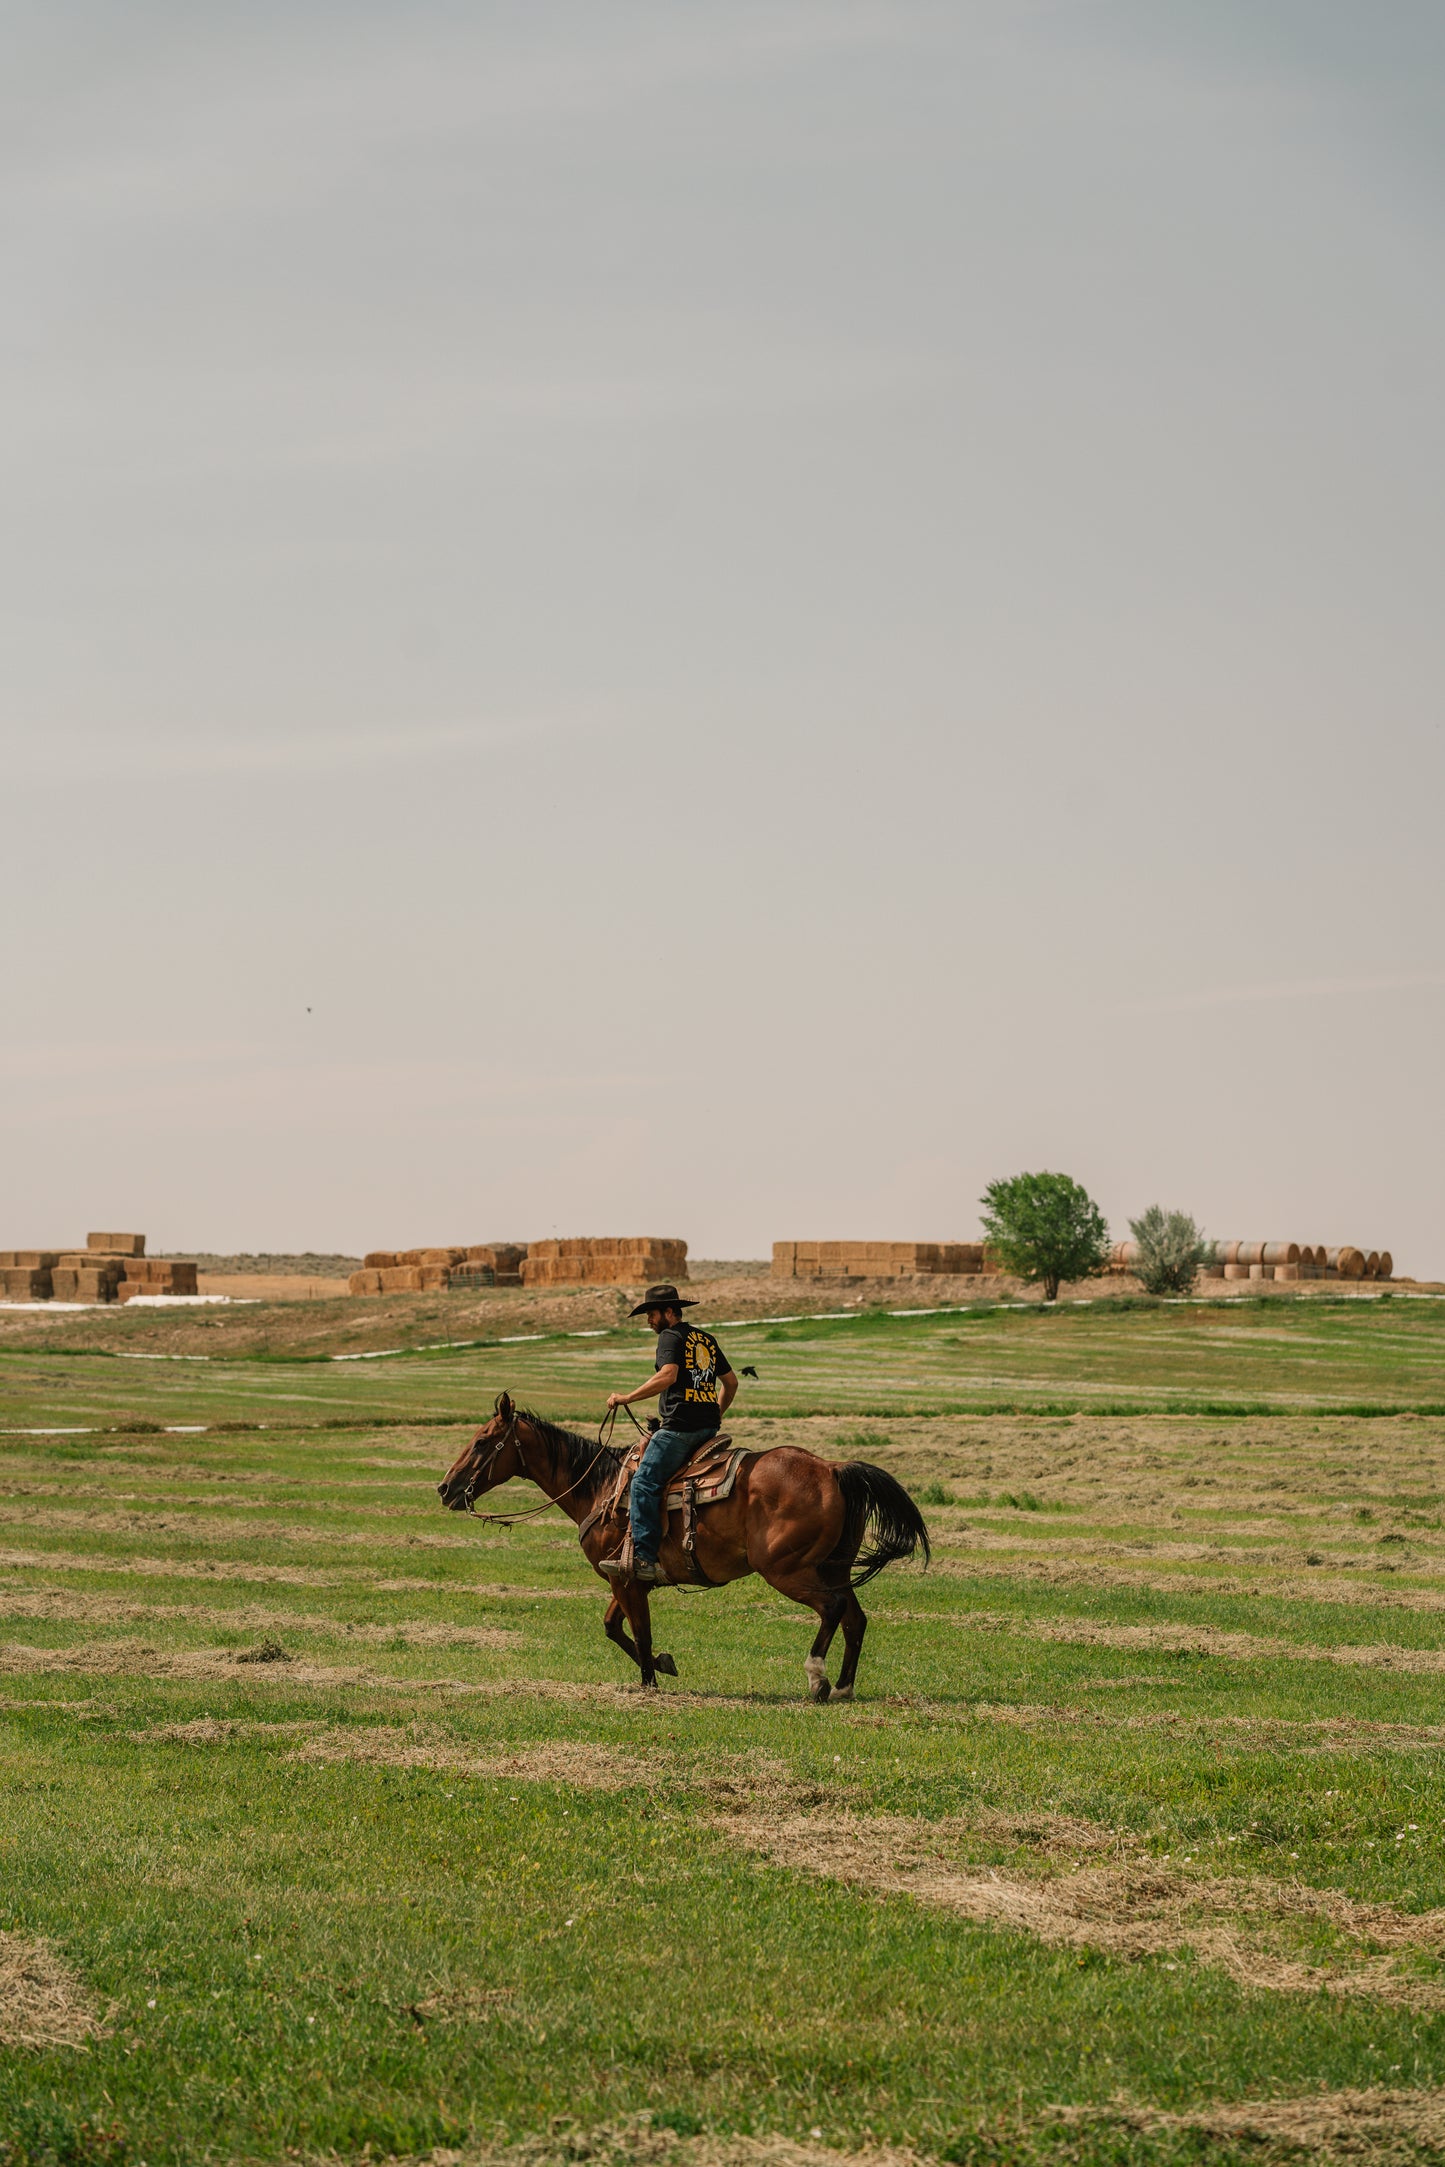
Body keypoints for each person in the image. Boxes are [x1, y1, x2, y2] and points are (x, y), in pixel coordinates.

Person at [601, 1283, 737, 1584]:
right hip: (707, 1430)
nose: (649, 1320)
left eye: (652, 1314)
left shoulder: (670, 1336)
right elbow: (731, 1383)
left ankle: (644, 1558)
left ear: (669, 1312)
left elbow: (668, 1375)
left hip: (679, 1430)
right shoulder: (705, 1339)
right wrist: (714, 1414)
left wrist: (627, 1397)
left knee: (644, 1482)